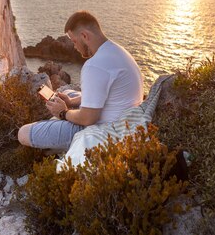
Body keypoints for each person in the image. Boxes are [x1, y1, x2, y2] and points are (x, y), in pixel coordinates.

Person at [18, 10, 143, 151]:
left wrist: (63, 113)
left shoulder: (94, 65)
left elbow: (88, 119)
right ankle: (62, 113)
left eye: (74, 41)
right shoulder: (118, 50)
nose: (74, 47)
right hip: (123, 118)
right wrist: (71, 103)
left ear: (84, 35)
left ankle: (56, 133)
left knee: (23, 133)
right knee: (68, 93)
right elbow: (106, 95)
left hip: (104, 129)